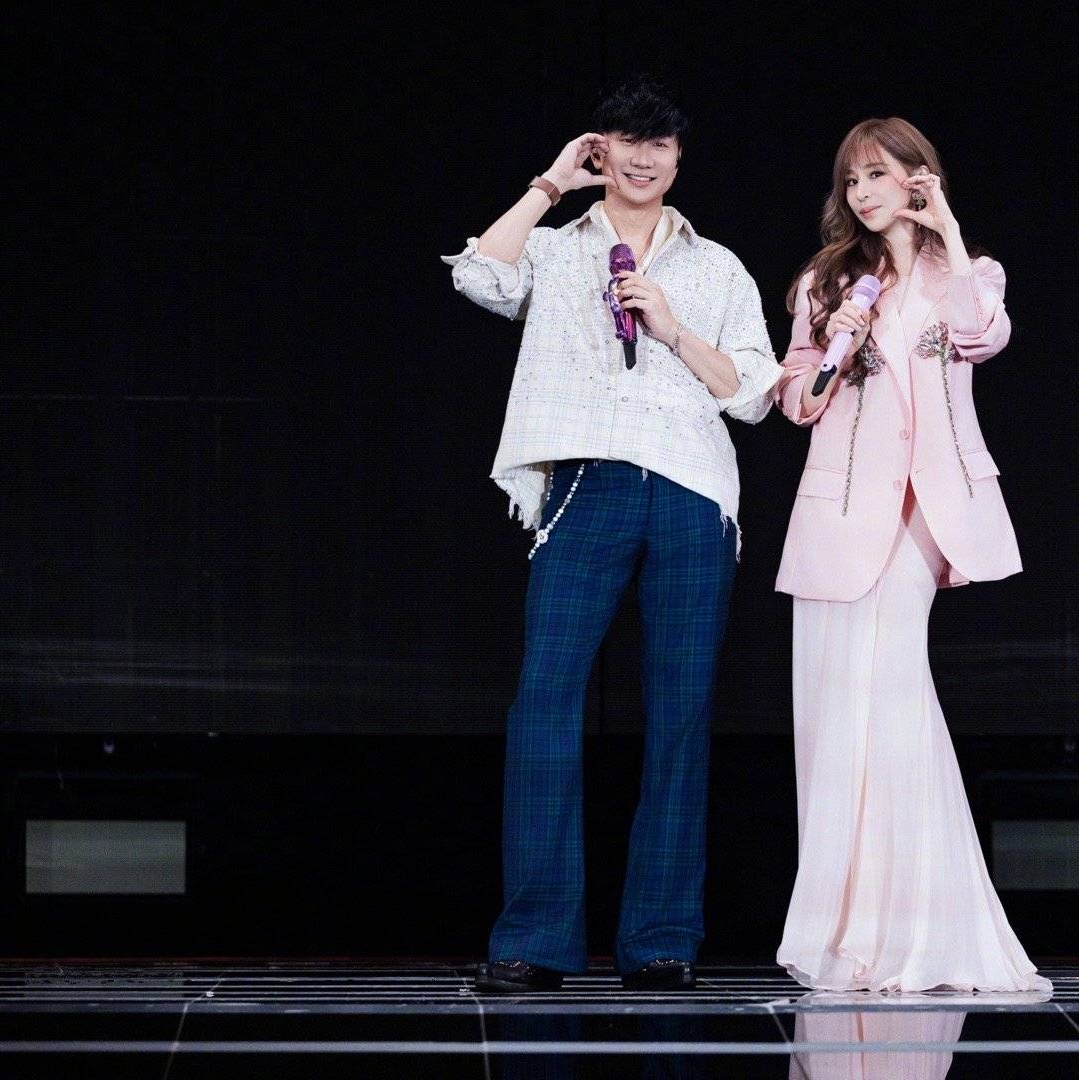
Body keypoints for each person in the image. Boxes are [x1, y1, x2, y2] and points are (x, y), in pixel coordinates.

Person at [440, 75, 780, 993]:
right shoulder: (557, 249)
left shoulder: (717, 268)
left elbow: (754, 393)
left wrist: (670, 326)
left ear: (678, 157)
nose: (642, 158)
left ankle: (661, 938)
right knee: (544, 701)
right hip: (586, 480)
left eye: (659, 144)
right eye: (625, 142)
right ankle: (533, 938)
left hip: (690, 489)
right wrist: (551, 184)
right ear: (602, 150)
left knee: (680, 712)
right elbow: (479, 275)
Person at [772, 117, 1054, 993]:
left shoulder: (968, 273)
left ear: (919, 178)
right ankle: (849, 932)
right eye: (852, 178)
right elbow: (796, 397)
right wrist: (835, 349)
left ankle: (919, 925)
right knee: (838, 711)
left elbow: (981, 336)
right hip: (840, 507)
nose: (863, 192)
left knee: (890, 694)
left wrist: (948, 231)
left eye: (879, 174)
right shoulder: (825, 281)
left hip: (925, 510)